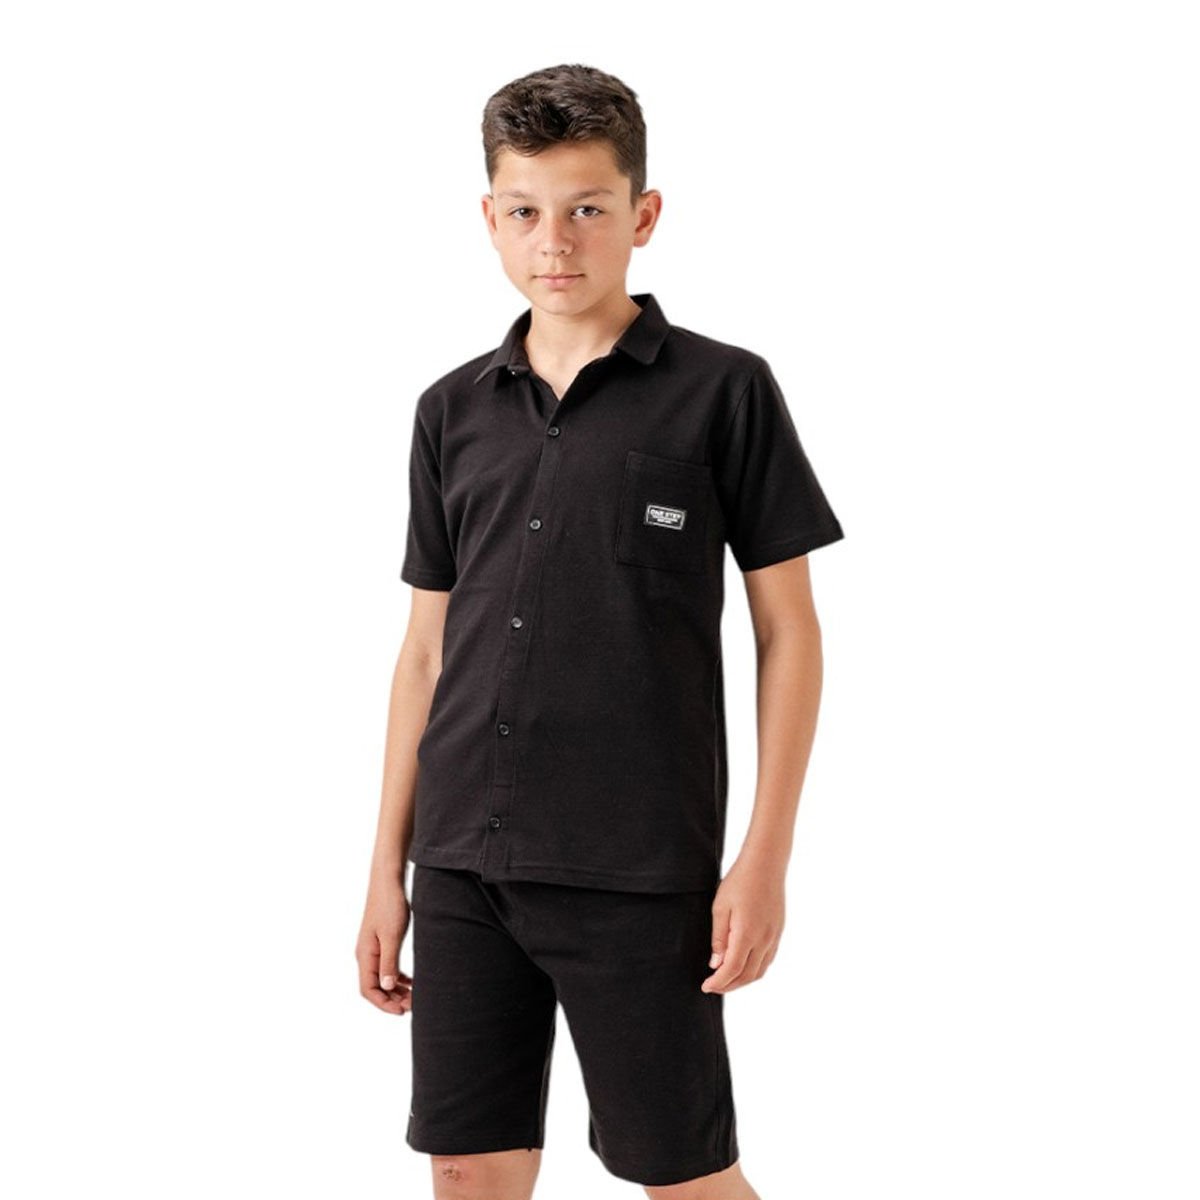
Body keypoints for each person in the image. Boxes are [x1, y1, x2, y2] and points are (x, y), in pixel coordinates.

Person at [356, 62, 845, 1200]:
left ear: (644, 213)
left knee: (685, 1177)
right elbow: (425, 651)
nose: (556, 242)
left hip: (638, 865)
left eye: (587, 208)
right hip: (463, 861)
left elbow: (789, 633)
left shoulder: (724, 393)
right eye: (525, 211)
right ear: (489, 218)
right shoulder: (450, 410)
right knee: (468, 1173)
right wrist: (387, 867)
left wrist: (764, 857)